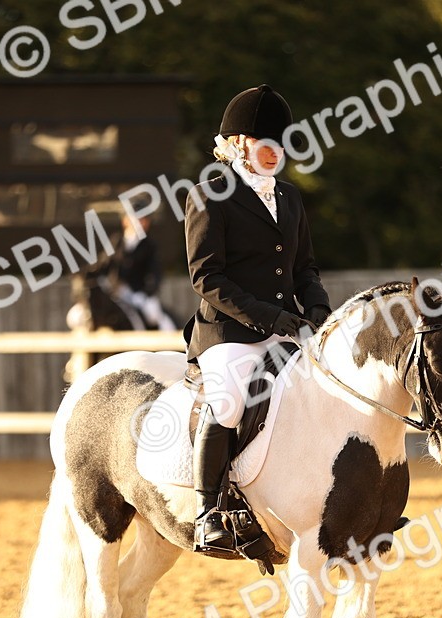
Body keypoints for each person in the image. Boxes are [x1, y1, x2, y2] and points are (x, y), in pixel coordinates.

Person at [182, 84, 332, 558]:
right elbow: (207, 278)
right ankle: (209, 513)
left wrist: (320, 314)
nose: (275, 152)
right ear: (239, 143)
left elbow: (304, 268)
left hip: (287, 327)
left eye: (280, 143)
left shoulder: (288, 198)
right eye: (266, 142)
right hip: (227, 334)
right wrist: (274, 319)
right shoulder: (210, 195)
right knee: (227, 402)